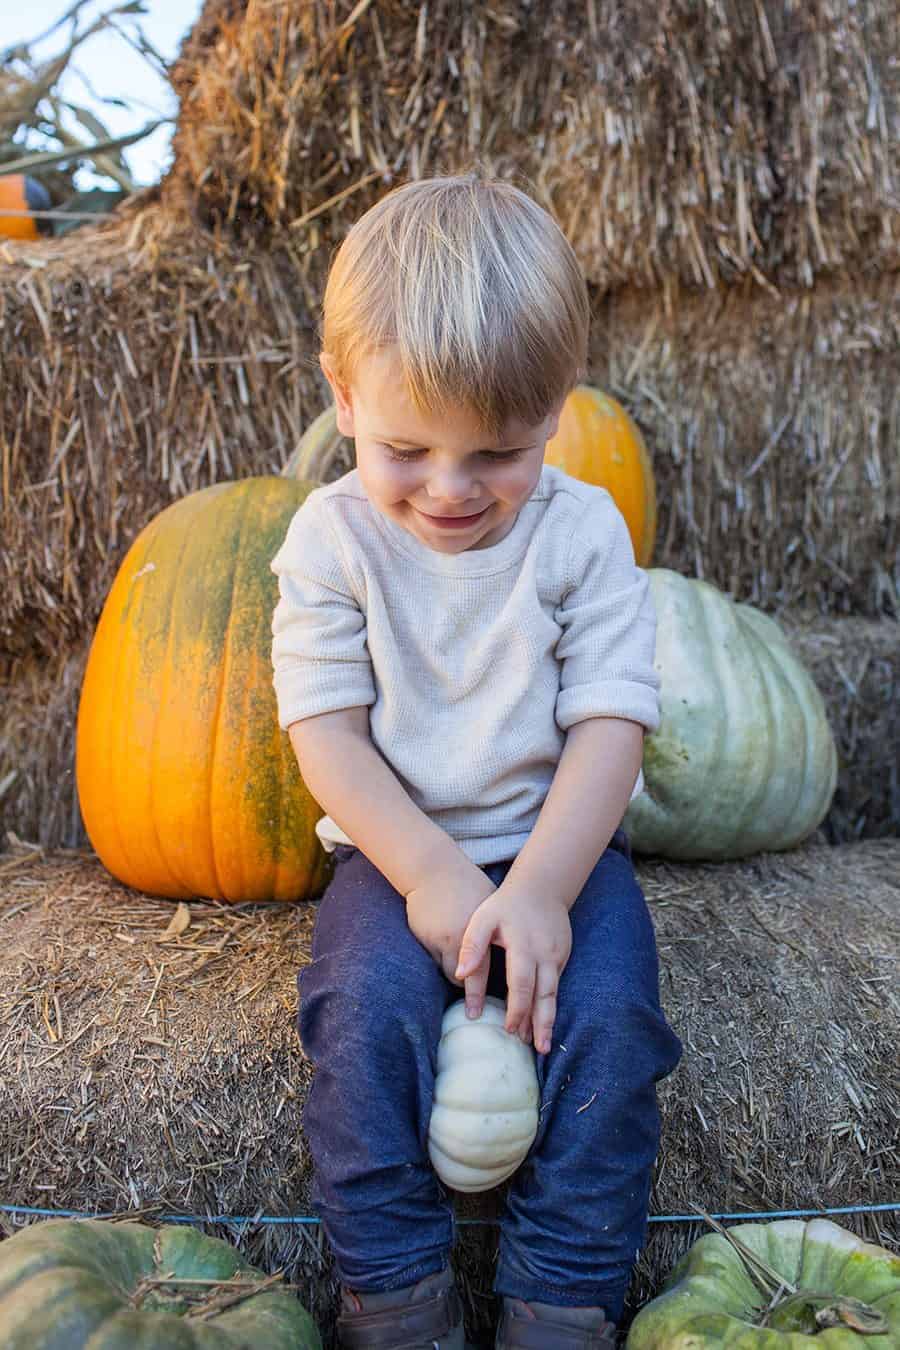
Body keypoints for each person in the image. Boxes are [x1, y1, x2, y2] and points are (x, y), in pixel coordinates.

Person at [270, 173, 682, 1350]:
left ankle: (564, 1293)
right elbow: (328, 736)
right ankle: (394, 1294)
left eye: (496, 453)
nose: (450, 490)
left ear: (556, 409)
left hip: (554, 845)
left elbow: (611, 723)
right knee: (361, 1017)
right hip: (397, 855)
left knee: (609, 1021)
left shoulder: (583, 531)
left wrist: (545, 888)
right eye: (409, 448)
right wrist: (432, 877)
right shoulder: (332, 541)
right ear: (343, 398)